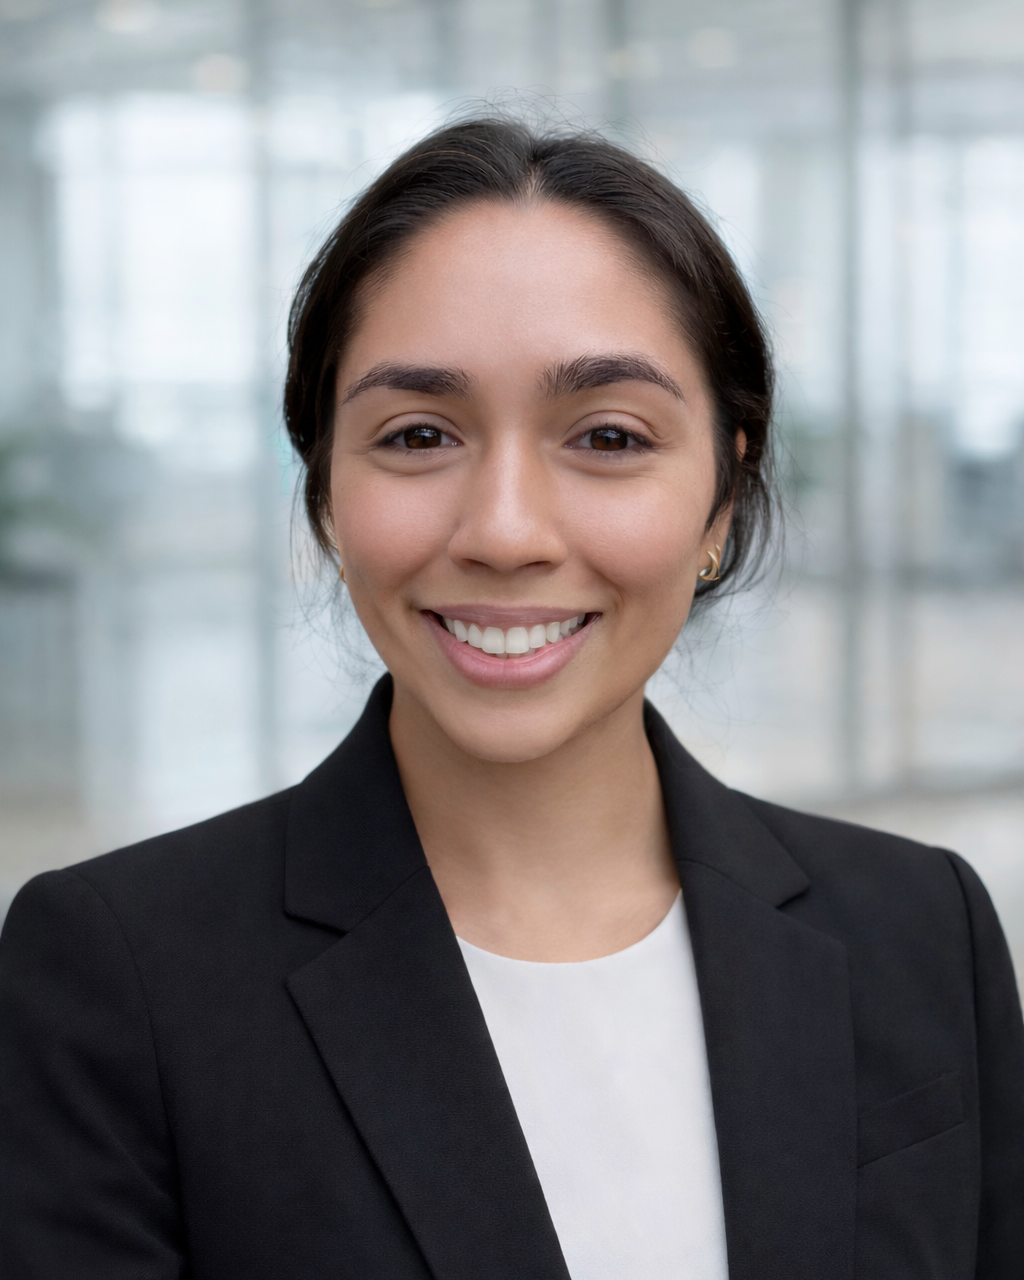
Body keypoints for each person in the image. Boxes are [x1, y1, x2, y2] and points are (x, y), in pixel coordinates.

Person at [1, 117, 1022, 1280]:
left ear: (724, 495)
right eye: (419, 433)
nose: (503, 531)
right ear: (327, 494)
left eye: (606, 435)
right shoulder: (121, 977)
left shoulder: (916, 928)